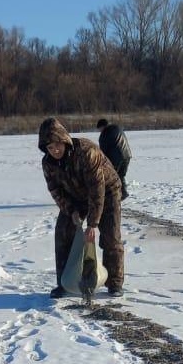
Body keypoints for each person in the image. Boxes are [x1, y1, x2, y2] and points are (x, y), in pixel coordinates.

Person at [39, 117, 125, 298]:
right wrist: (72, 211)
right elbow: (56, 191)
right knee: (63, 233)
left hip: (107, 191)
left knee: (110, 236)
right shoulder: (48, 164)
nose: (55, 150)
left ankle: (114, 283)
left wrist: (93, 223)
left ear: (64, 140)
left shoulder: (87, 151)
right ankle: (65, 283)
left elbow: (97, 189)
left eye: (57, 145)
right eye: (50, 147)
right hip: (76, 197)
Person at [96, 118, 133, 200]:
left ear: (102, 127)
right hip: (127, 155)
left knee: (111, 177)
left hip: (116, 158)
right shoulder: (118, 128)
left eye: (99, 129)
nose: (99, 131)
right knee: (121, 175)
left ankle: (112, 196)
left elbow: (103, 151)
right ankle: (123, 193)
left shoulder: (104, 134)